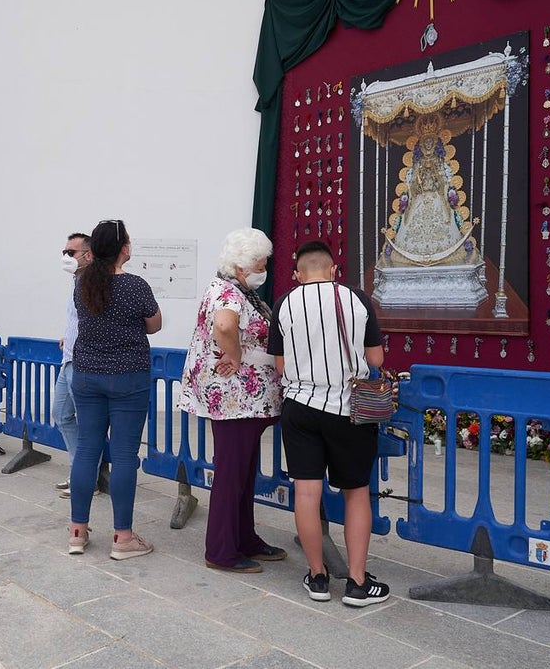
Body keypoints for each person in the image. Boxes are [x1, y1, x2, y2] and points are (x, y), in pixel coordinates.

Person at [266, 241, 390, 607]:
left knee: (307, 493)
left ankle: (318, 577)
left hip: (300, 407)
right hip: (348, 409)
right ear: (334, 270)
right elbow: (376, 358)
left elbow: (280, 366)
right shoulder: (357, 299)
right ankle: (357, 582)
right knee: (356, 492)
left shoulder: (284, 303)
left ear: (298, 274)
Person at [178, 228, 284, 573]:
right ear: (241, 267)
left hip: (242, 400)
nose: (264, 270)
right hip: (235, 399)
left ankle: (244, 538)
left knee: (242, 472)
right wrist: (235, 355)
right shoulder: (228, 292)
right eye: (260, 265)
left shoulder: (234, 288)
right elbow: (225, 326)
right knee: (231, 474)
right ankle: (221, 550)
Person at [68, 219, 161, 560]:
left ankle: (77, 532)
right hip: (128, 376)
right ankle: (123, 537)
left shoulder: (82, 283)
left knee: (86, 450)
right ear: (123, 248)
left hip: (87, 374)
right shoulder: (135, 285)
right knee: (123, 455)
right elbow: (154, 325)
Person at [53, 233, 92, 497]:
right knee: (61, 414)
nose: (66, 257)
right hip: (67, 358)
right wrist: (68, 337)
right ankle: (77, 470)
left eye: (71, 252)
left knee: (87, 422)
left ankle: (86, 478)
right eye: (64, 252)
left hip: (82, 362)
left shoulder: (93, 283)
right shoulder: (76, 281)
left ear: (88, 255)